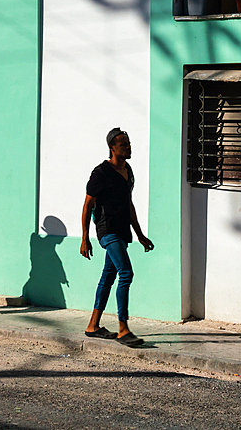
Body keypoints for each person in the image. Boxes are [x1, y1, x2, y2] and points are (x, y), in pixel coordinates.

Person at [80, 127, 154, 347]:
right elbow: (87, 206)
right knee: (126, 273)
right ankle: (123, 328)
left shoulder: (128, 171)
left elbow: (129, 204)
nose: (128, 147)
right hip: (107, 230)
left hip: (123, 231)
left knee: (108, 276)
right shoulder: (101, 172)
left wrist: (139, 234)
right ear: (112, 148)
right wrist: (85, 238)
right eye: (124, 144)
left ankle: (93, 326)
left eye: (129, 143)